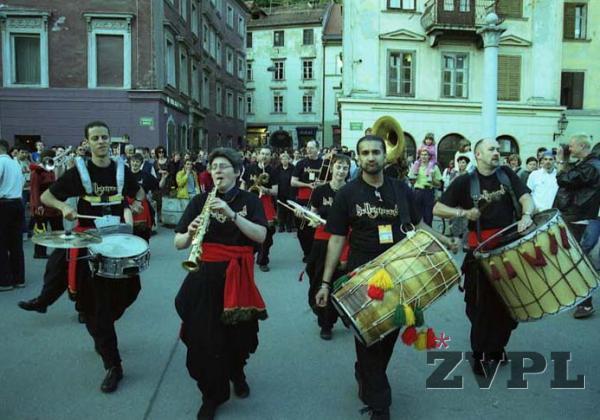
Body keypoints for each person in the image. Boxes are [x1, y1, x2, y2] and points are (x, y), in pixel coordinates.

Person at [315, 135, 457, 420]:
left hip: (400, 274)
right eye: (365, 153)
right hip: (362, 277)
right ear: (359, 157)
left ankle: (366, 375)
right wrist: (326, 282)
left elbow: (418, 225)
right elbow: (336, 239)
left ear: (384, 155)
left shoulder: (401, 189)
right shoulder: (348, 194)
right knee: (368, 337)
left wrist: (445, 240)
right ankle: (380, 405)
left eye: (376, 152)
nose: (370, 157)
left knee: (389, 334)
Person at [40, 121, 146, 393]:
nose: (101, 142)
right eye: (96, 138)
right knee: (96, 304)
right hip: (91, 243)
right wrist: (64, 207)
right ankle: (114, 364)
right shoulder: (81, 171)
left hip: (119, 240)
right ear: (87, 142)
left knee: (130, 292)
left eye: (105, 137)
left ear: (111, 140)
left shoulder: (121, 168)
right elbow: (46, 196)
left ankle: (100, 326)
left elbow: (140, 194)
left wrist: (133, 204)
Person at [174, 147, 268, 420]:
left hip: (237, 276)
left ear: (237, 172)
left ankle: (236, 371)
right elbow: (178, 242)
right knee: (202, 339)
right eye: (213, 166)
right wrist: (190, 233)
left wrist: (232, 213)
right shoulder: (199, 201)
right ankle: (211, 395)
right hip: (203, 275)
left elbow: (261, 236)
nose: (217, 170)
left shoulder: (250, 200)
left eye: (224, 166)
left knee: (240, 337)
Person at [433, 138, 534, 377]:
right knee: (480, 309)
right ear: (478, 154)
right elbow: (438, 208)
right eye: (492, 149)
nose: (497, 152)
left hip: (510, 248)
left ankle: (497, 347)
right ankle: (479, 353)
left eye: (498, 149)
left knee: (509, 306)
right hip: (480, 254)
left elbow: (525, 197)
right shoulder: (464, 182)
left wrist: (527, 214)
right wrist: (463, 212)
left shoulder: (507, 174)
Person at [554, 134, 600, 319]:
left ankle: (586, 303)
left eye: (572, 146)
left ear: (582, 146)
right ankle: (581, 299)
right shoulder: (588, 164)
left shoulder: (591, 167)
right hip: (581, 216)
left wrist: (560, 160)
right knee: (578, 258)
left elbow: (564, 179)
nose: (569, 149)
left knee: (579, 260)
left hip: (582, 217)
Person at [306, 154, 350, 340]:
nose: (341, 171)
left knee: (336, 283)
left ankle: (327, 323)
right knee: (316, 280)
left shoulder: (351, 192)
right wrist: (311, 220)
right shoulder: (320, 191)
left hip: (343, 243)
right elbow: (313, 214)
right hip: (320, 242)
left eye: (345, 168)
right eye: (338, 167)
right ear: (332, 168)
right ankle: (323, 313)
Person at [242, 146, 279, 272]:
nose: (264, 156)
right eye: (262, 154)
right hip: (249, 201)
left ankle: (263, 259)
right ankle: (248, 255)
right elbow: (242, 183)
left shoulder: (273, 170)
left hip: (265, 202)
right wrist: (242, 193)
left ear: (270, 156)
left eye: (267, 154)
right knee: (246, 230)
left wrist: (265, 190)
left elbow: (275, 191)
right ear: (258, 155)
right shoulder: (249, 168)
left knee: (267, 233)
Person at [291, 140, 323, 261]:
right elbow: (293, 182)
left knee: (316, 227)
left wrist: (321, 184)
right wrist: (308, 185)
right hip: (303, 199)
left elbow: (331, 181)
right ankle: (307, 252)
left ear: (318, 149)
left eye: (312, 148)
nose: (308, 150)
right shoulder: (300, 163)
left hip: (319, 200)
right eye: (307, 148)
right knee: (302, 229)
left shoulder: (324, 163)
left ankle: (315, 253)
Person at [0, 139, 26, 291]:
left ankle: (5, 281)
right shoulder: (15, 163)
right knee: (16, 244)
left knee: (2, 244)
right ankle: (19, 278)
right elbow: (22, 182)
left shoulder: (1, 162)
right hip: (17, 202)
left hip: (3, 204)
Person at [409, 147, 442, 226]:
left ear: (429, 156)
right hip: (417, 192)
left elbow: (439, 184)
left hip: (428, 192)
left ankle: (428, 237)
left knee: (428, 218)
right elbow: (411, 182)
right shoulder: (415, 166)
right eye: (422, 154)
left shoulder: (434, 167)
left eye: (426, 155)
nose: (423, 156)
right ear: (419, 156)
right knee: (416, 218)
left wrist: (433, 178)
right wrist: (414, 176)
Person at [129, 153, 159, 241]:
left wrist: (164, 178)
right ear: (130, 162)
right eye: (133, 161)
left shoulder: (146, 175)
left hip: (142, 206)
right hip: (128, 206)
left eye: (137, 162)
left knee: (143, 233)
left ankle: (145, 250)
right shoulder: (125, 174)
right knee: (129, 232)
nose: (135, 163)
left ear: (141, 164)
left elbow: (157, 186)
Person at [276, 151, 295, 232]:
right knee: (281, 210)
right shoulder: (278, 168)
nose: (284, 161)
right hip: (280, 192)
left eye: (286, 159)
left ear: (288, 160)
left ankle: (289, 226)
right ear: (281, 160)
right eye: (283, 159)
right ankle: (281, 226)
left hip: (290, 192)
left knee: (289, 210)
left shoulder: (293, 168)